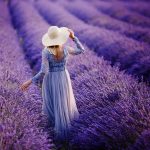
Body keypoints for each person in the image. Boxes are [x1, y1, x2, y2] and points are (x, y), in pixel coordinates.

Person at [20, 26, 85, 140]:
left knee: (53, 104)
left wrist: (29, 82)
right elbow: (81, 50)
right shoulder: (66, 49)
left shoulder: (46, 52)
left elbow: (43, 72)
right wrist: (74, 38)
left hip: (51, 79)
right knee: (64, 103)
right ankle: (67, 135)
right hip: (63, 77)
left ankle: (56, 135)